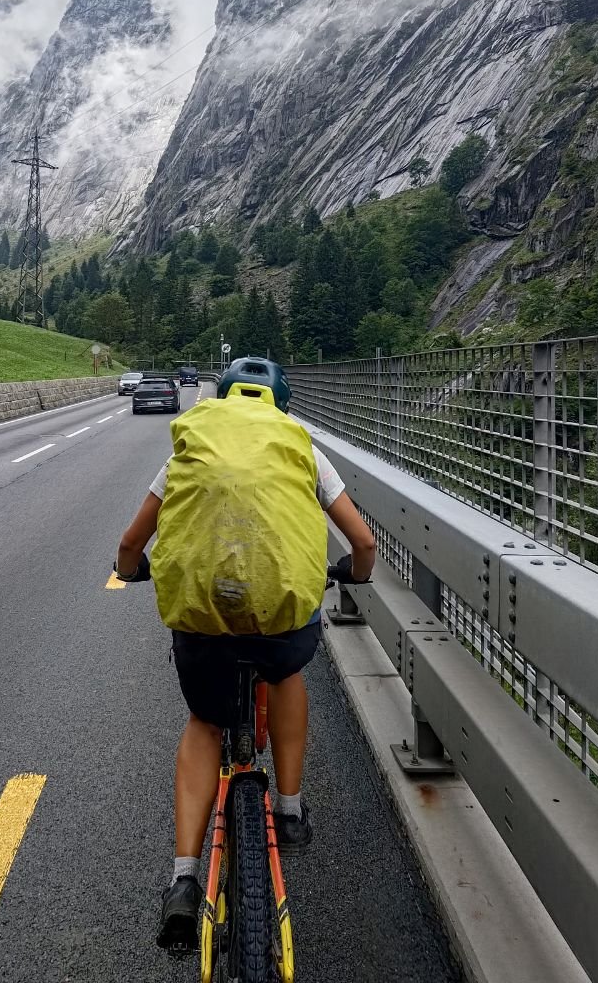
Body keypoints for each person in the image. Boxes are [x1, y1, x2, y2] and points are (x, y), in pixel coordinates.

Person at [115, 356, 376, 955]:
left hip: (203, 622)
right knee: (285, 672)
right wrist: (353, 576)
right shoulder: (301, 445)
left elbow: (132, 542)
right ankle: (288, 809)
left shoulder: (192, 443)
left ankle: (184, 879)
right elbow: (361, 541)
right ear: (279, 404)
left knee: (205, 722)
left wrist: (129, 571)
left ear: (224, 398)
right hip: (281, 620)